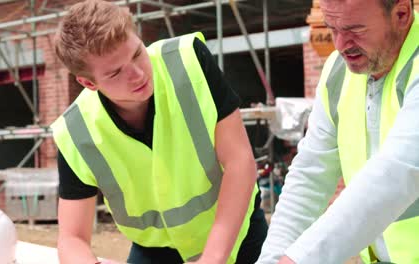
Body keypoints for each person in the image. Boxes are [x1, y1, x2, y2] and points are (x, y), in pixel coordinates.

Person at [51, 0, 268, 263]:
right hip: (156, 252)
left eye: (136, 54)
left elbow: (239, 161)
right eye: (116, 72)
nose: (137, 74)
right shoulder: (75, 132)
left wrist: (212, 258)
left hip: (237, 233)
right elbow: (72, 238)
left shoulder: (189, 61)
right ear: (88, 83)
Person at [257, 0, 418, 263]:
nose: (341, 44)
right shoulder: (338, 72)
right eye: (332, 28)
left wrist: (299, 259)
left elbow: (396, 174)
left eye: (355, 29)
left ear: (401, 14)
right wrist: (272, 259)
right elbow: (310, 176)